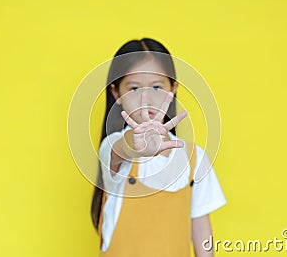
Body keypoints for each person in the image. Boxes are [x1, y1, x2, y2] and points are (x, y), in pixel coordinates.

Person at [91, 38, 227, 257]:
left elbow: (201, 230)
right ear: (116, 93)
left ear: (172, 89)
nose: (146, 98)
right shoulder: (112, 148)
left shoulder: (194, 158)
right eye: (134, 88)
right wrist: (136, 147)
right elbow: (121, 149)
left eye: (157, 86)